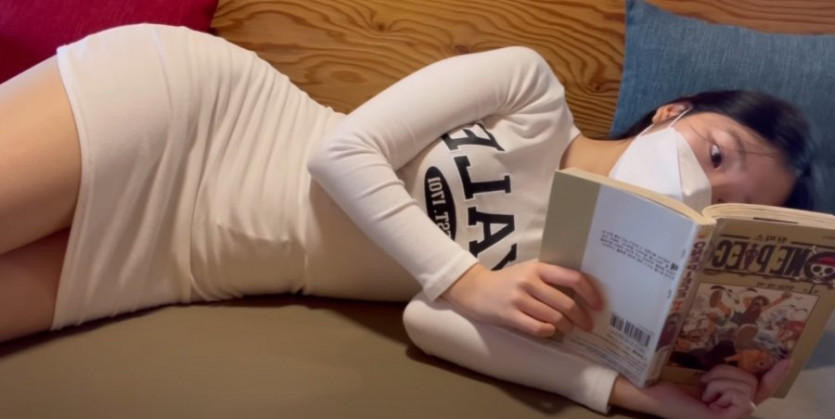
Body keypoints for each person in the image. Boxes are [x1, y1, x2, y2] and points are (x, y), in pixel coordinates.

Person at [0, 24, 814, 418]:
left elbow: (429, 321)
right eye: (714, 153)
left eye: (725, 198)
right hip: (191, 120)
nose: (701, 186)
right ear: (671, 111)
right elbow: (342, 152)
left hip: (186, 263)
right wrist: (471, 278)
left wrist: (653, 396)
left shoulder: (585, 279)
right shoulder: (531, 90)